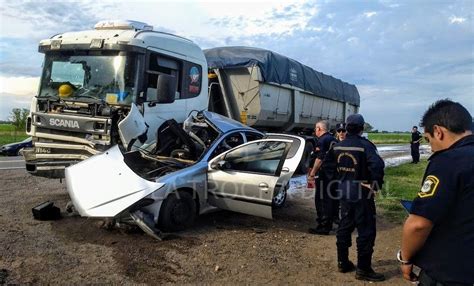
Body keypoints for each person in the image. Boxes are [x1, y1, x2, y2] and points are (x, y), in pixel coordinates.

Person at [399, 99, 474, 285]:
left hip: (451, 271)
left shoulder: (448, 162)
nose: (431, 146)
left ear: (438, 132)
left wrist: (405, 258)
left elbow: (418, 224)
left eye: (428, 139)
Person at [326, 114, 386, 281]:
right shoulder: (365, 146)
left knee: (344, 226)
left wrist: (337, 182)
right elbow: (378, 165)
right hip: (361, 194)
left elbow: (328, 166)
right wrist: (374, 185)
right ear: (361, 128)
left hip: (343, 193)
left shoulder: (338, 146)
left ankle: (342, 262)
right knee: (366, 230)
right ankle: (363, 269)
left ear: (346, 128)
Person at [308, 120, 338, 235]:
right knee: (329, 200)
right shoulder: (333, 139)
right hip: (333, 175)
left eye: (316, 128)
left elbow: (319, 159)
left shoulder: (322, 140)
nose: (315, 130)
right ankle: (328, 224)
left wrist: (312, 174)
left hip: (324, 175)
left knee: (321, 201)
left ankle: (323, 227)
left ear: (319, 129)